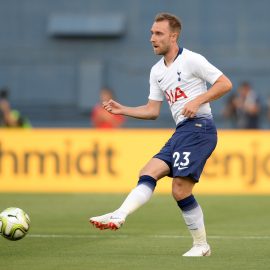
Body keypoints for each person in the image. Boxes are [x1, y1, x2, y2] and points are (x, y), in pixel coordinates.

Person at [90, 13, 232, 257]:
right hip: (181, 131)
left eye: (158, 34)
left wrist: (198, 99)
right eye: (151, 33)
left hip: (200, 129)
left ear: (173, 36)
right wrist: (122, 109)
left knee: (180, 190)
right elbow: (152, 110)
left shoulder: (191, 60)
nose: (152, 39)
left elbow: (224, 83)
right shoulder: (156, 71)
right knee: (147, 172)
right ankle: (120, 214)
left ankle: (201, 245)